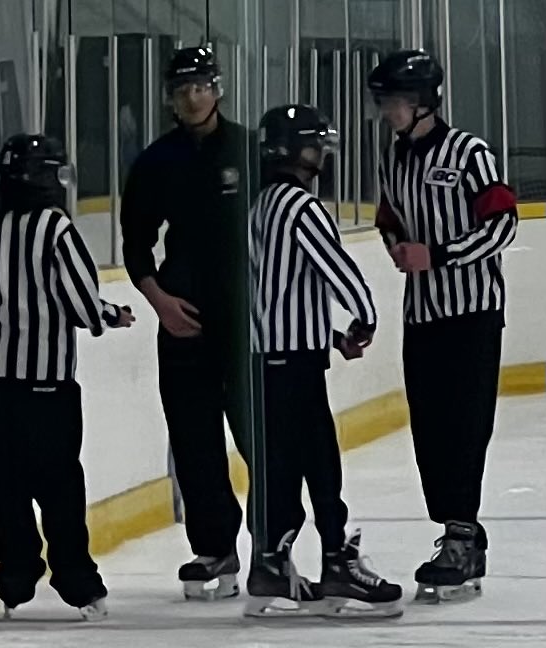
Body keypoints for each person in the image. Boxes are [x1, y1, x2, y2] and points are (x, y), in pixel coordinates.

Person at [368, 49, 518, 602]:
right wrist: (397, 249)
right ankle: (454, 529)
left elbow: (503, 223)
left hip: (472, 313)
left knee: (464, 423)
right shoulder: (395, 158)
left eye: (396, 101)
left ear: (425, 101)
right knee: (429, 427)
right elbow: (388, 217)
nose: (388, 111)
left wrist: (440, 255)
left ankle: (461, 534)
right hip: (422, 314)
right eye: (385, 102)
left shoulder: (469, 152)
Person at [245, 104, 403, 618]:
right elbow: (339, 269)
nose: (321, 153)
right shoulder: (302, 208)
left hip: (269, 359)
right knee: (320, 463)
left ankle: (271, 562)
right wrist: (366, 318)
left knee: (284, 466)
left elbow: (274, 292)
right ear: (295, 152)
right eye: (314, 144)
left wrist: (331, 336)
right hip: (295, 366)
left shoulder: (261, 206)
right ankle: (335, 560)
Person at [0, 133, 135, 620]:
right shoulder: (55, 228)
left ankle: (15, 579)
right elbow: (83, 303)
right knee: (59, 485)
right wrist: (114, 314)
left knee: (3, 484)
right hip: (48, 385)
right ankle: (78, 582)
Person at [120, 46, 253, 600]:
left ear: (217, 88)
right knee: (195, 439)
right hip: (183, 320)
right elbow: (136, 245)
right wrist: (160, 302)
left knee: (258, 434)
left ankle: (277, 541)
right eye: (183, 90)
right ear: (170, 99)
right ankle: (215, 549)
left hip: (246, 321)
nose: (194, 97)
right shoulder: (156, 161)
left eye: (202, 86)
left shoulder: (250, 149)